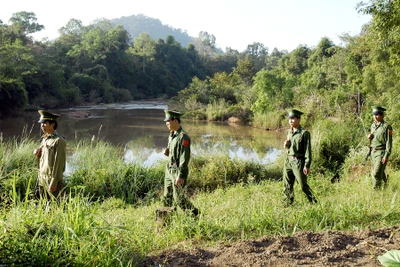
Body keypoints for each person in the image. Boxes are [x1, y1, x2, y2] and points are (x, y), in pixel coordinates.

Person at [160, 110, 199, 218]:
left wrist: (180, 175)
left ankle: (195, 215)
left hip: (178, 170)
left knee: (179, 199)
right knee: (167, 196)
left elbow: (184, 158)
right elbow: (172, 151)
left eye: (168, 121)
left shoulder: (183, 137)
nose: (166, 123)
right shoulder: (172, 134)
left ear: (175, 120)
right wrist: (167, 152)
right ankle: (165, 220)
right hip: (169, 169)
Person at [283, 109, 317, 206]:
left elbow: (307, 150)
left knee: (303, 186)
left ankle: (314, 202)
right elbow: (289, 148)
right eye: (289, 119)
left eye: (293, 119)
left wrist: (307, 165)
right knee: (287, 185)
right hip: (288, 160)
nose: (290, 121)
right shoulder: (288, 132)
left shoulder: (304, 133)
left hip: (299, 162)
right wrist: (286, 145)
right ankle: (287, 204)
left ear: (299, 119)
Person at [33, 110, 66, 199]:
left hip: (51, 179)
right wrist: (37, 152)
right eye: (41, 123)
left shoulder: (59, 141)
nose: (42, 125)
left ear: (52, 124)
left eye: (44, 123)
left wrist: (54, 181)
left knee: (56, 206)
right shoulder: (45, 139)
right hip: (42, 178)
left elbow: (58, 163)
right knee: (43, 206)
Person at [367, 105, 393, 189]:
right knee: (380, 172)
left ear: (382, 115)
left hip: (381, 152)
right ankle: (386, 186)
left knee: (375, 173)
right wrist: (370, 137)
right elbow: (374, 138)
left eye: (377, 114)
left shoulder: (386, 127)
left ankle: (376, 191)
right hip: (373, 153)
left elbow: (389, 143)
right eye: (374, 114)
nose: (375, 116)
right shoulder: (373, 125)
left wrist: (386, 155)